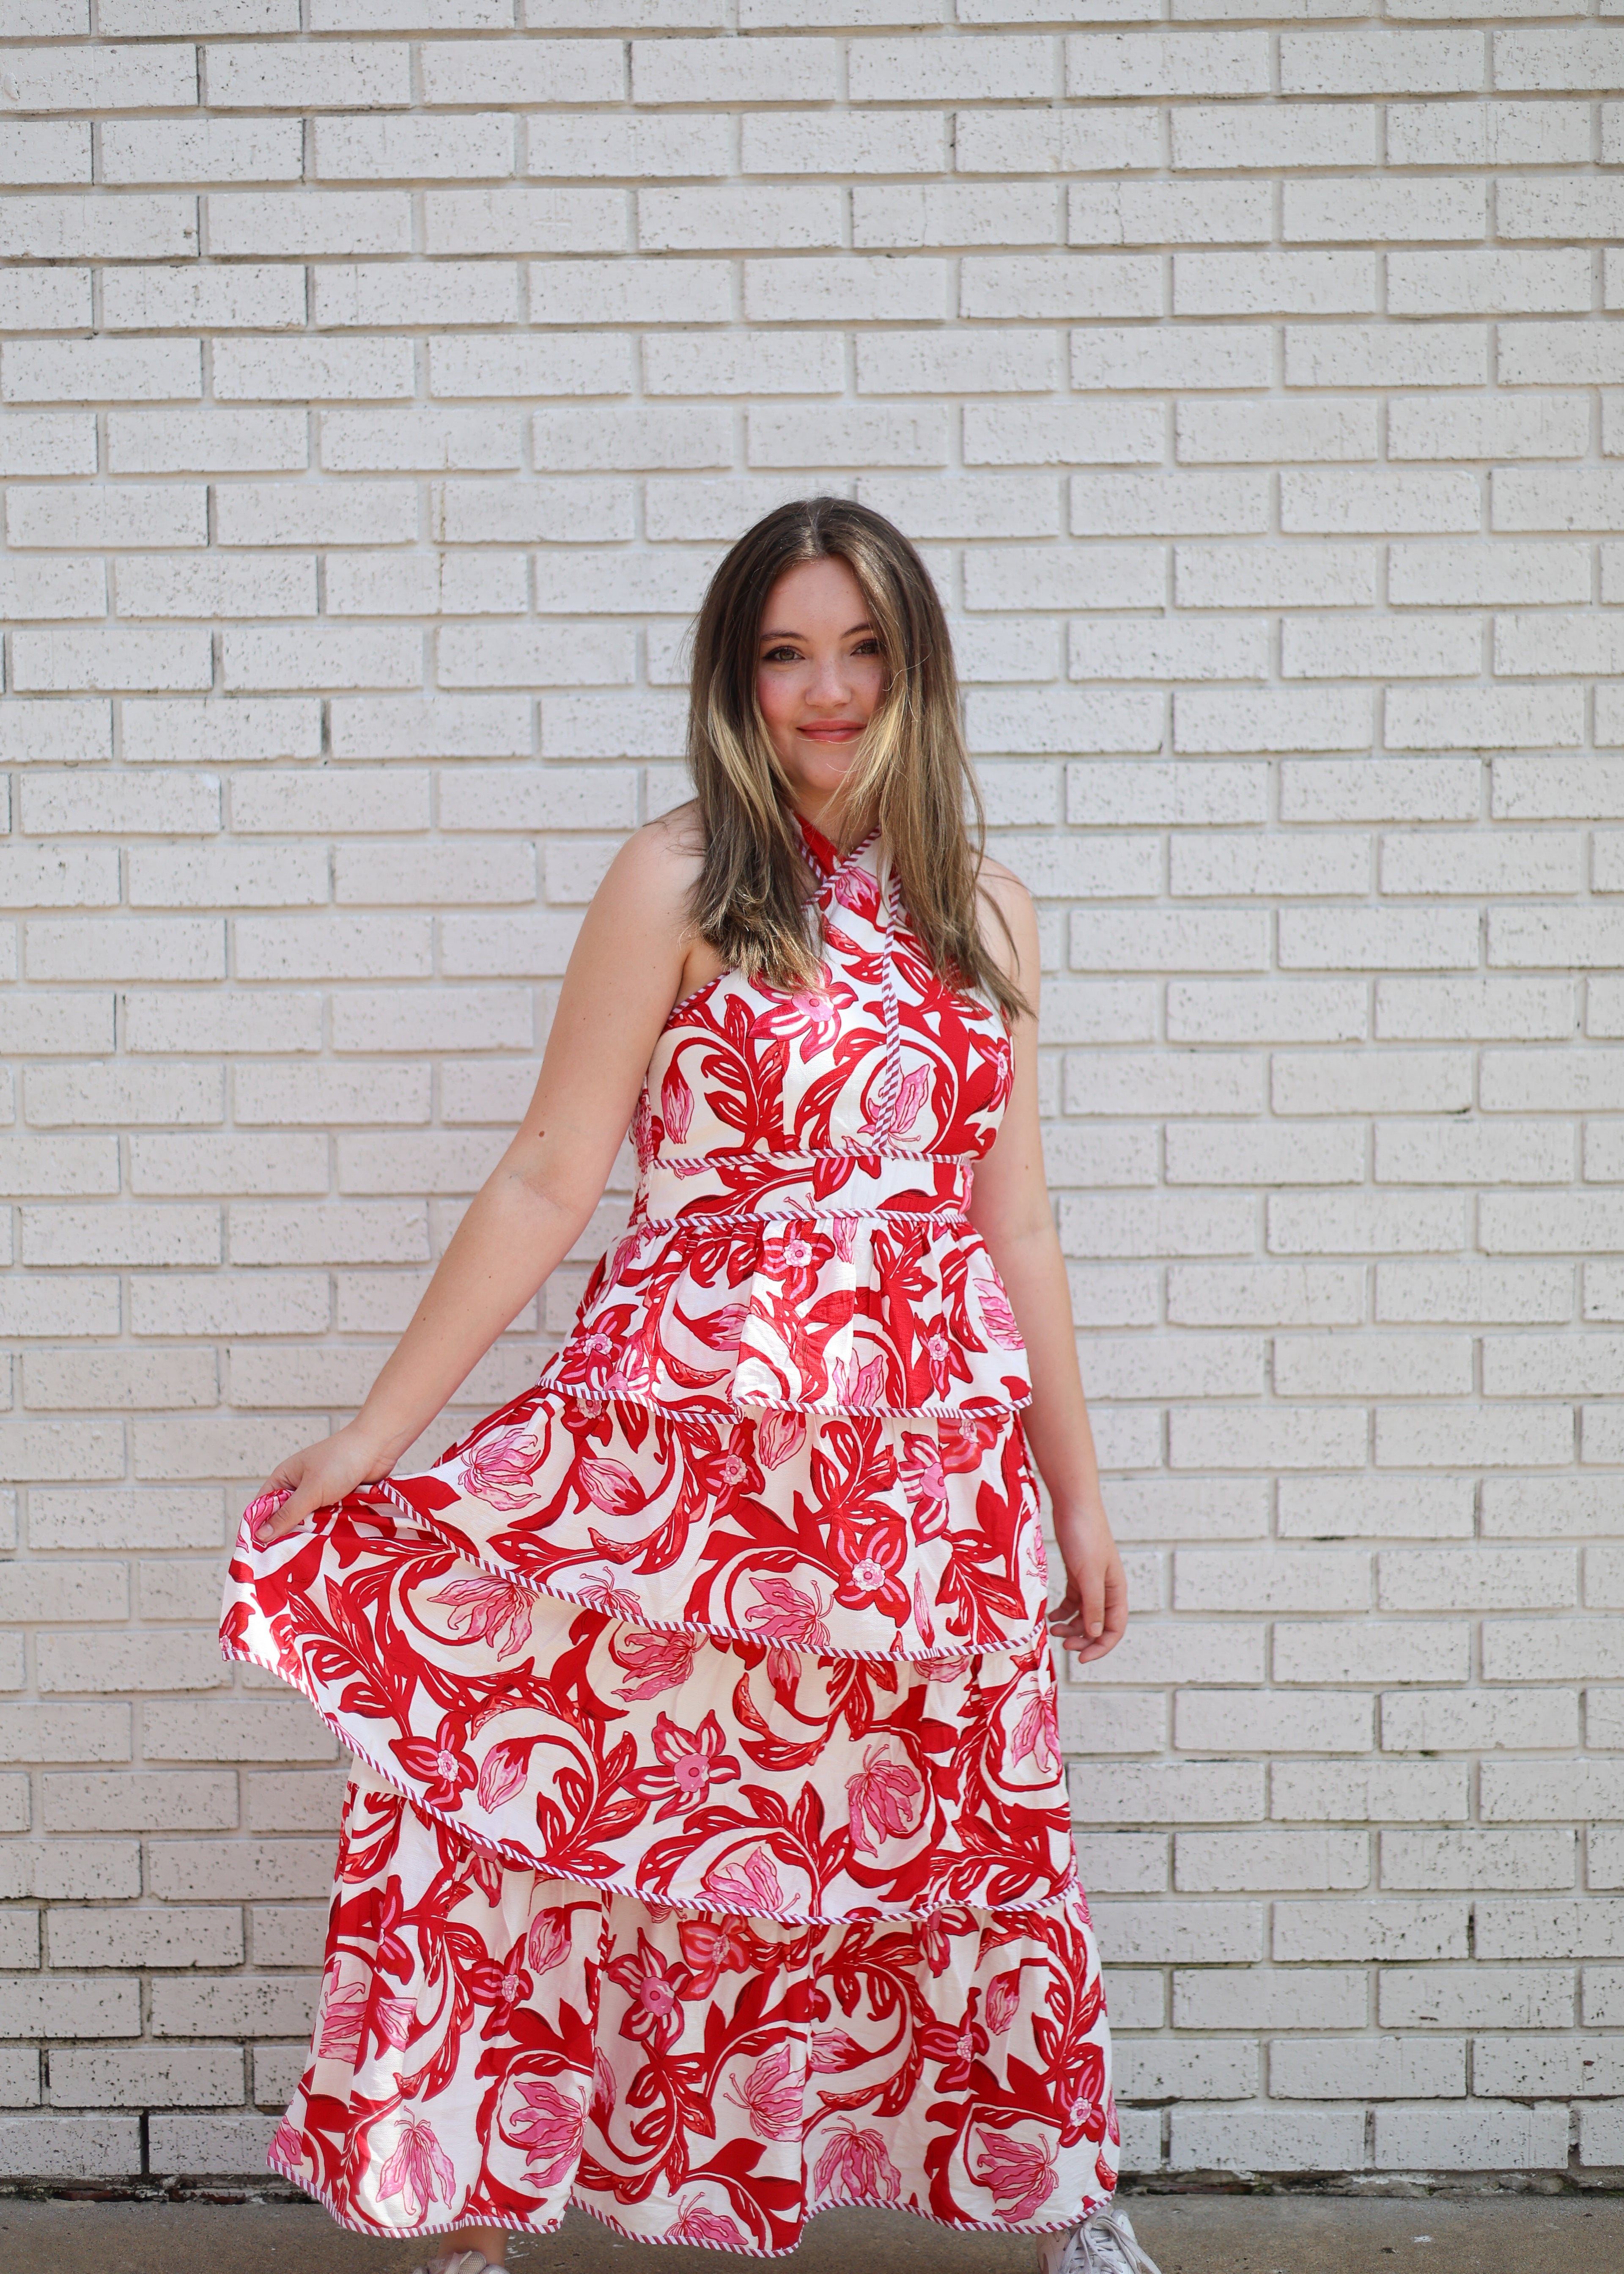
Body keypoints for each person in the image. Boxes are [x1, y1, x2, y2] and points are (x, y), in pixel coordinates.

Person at [225, 497, 1159, 2274]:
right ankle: (475, 2204)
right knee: (571, 1810)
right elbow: (549, 1173)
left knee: (965, 1833)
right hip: (678, 1459)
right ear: (737, 678)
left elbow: (1015, 1228)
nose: (827, 692)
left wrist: (1080, 1498)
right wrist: (378, 1435)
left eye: (864, 647)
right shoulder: (680, 880)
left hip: (917, 1479)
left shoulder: (991, 914)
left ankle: (1062, 2205)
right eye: (786, 652)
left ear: (919, 669)